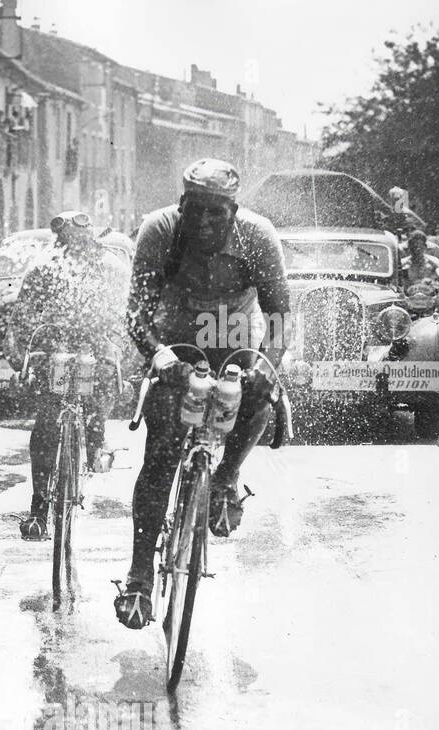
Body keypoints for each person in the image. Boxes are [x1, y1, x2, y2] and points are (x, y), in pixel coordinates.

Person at [113, 158, 290, 630]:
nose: (205, 222)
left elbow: (278, 315)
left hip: (234, 335)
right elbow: (135, 312)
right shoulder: (159, 229)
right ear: (182, 205)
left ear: (233, 210)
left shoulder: (258, 235)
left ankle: (227, 476)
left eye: (217, 212)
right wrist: (158, 356)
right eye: (196, 211)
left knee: (255, 393)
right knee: (161, 454)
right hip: (173, 340)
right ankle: (139, 574)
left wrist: (269, 367)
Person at [9, 211, 127, 540]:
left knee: (101, 389)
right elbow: (21, 318)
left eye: (80, 242)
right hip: (53, 351)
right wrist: (21, 361)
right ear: (60, 241)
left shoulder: (110, 267)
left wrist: (123, 363)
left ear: (91, 239)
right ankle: (39, 508)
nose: (74, 248)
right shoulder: (43, 267)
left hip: (96, 348)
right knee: (46, 422)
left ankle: (97, 441)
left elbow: (127, 318)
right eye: (67, 242)